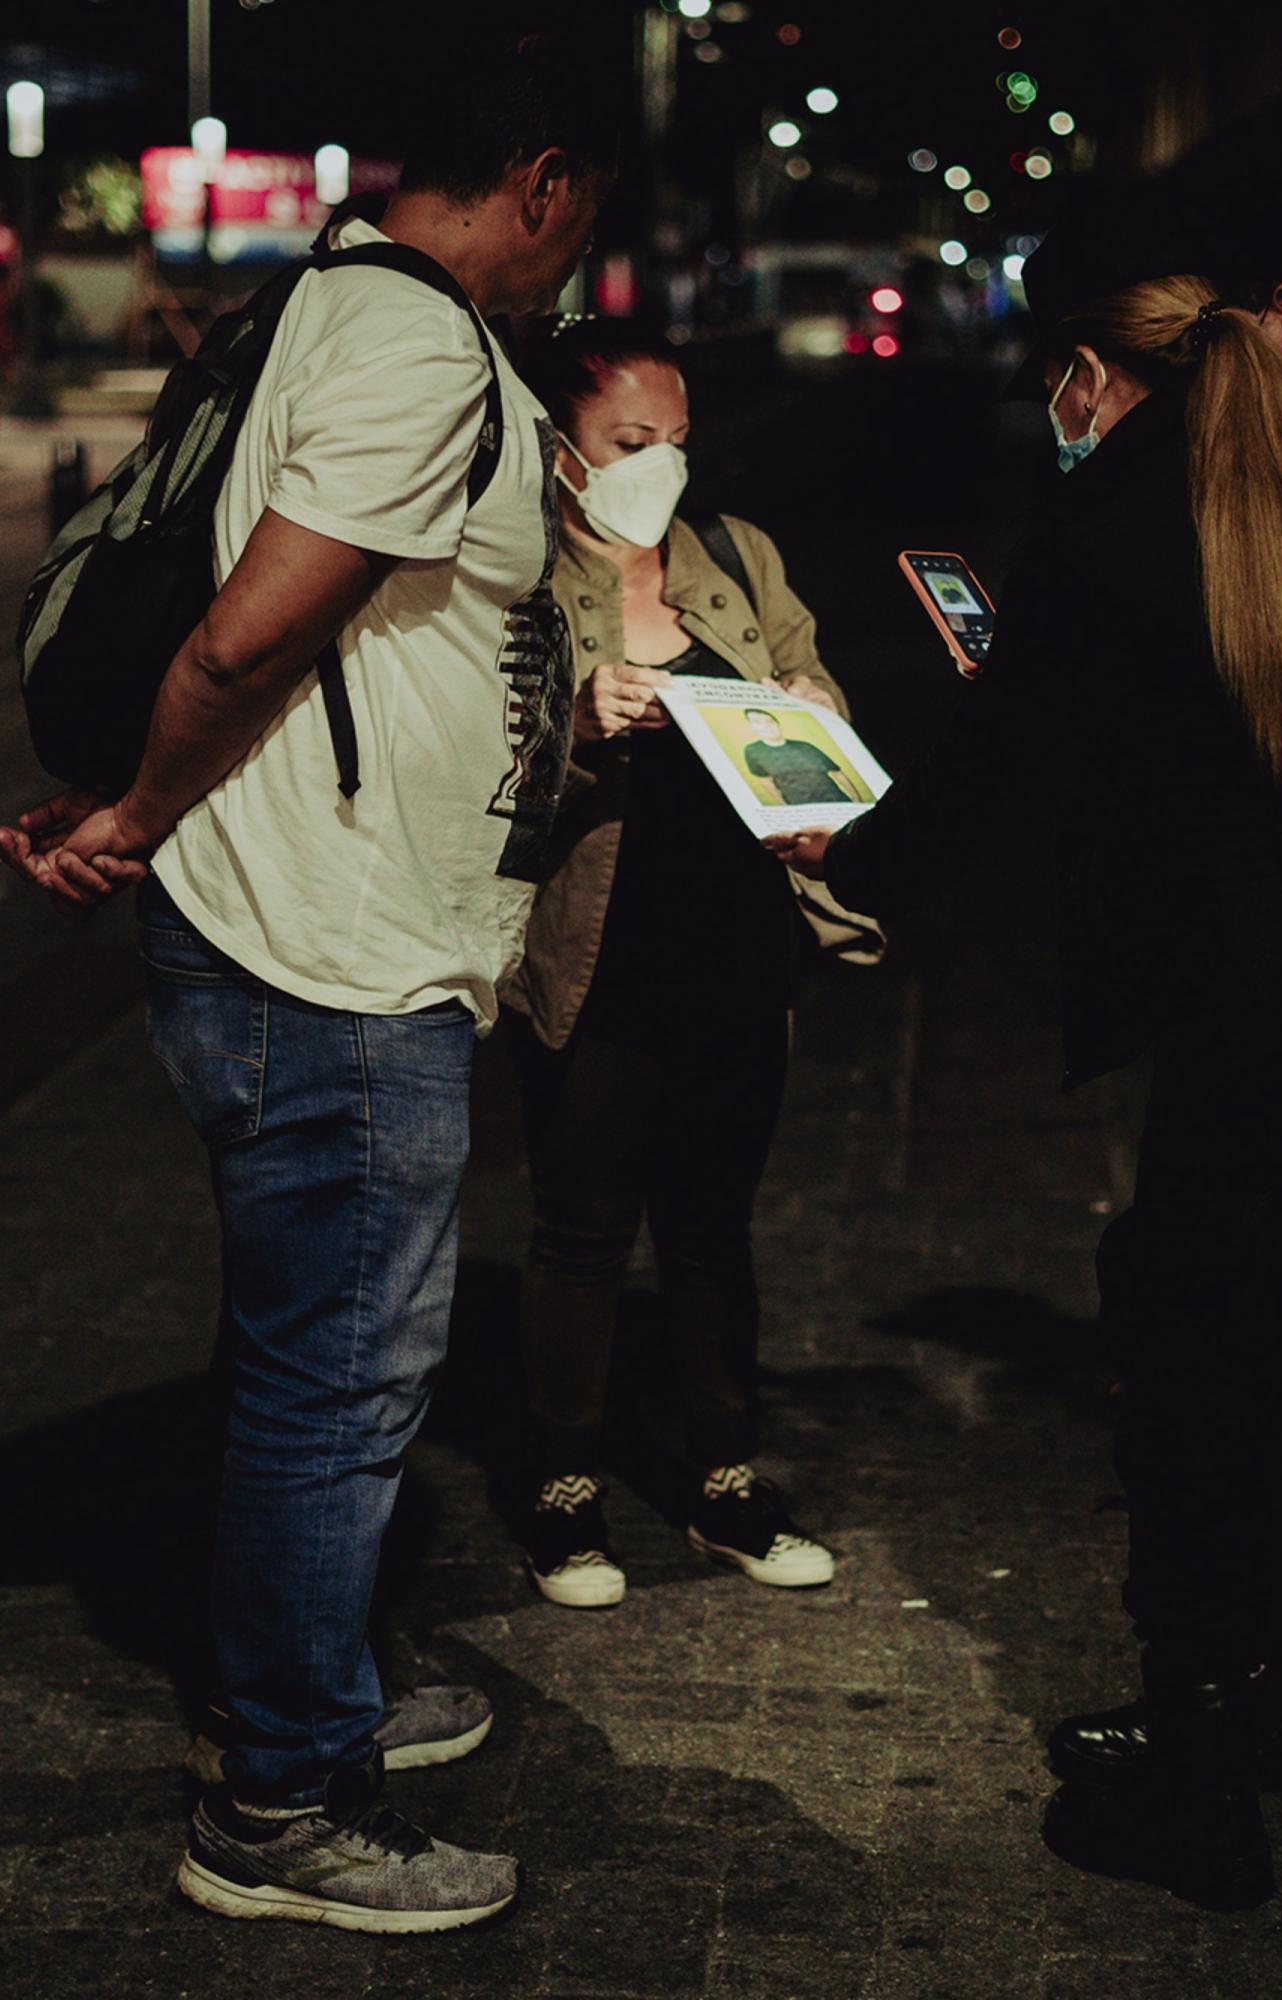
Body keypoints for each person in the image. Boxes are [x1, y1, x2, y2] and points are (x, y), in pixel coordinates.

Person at [771, 179, 1282, 1909]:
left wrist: (849, 844)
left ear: (1104, 366)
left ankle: (1202, 1767)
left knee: (1213, 1390)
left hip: (1240, 1047)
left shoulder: (1127, 510)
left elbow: (1022, 767)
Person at [0, 34, 614, 1937]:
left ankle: (307, 1687)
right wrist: (144, 810)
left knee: (317, 1361)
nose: (582, 254)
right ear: (544, 178)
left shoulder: (320, 310)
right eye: (585, 214)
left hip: (338, 936)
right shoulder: (417, 344)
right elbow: (254, 625)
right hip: (324, 953)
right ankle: (278, 1797)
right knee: (339, 1382)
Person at [498, 316, 848, 1609]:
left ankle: (723, 1481)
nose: (659, 469)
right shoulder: (516, 575)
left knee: (713, 1228)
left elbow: (813, 685)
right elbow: (474, 755)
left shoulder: (738, 563)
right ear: (565, 449)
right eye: (629, 443)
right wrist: (574, 724)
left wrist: (818, 725)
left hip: (737, 948)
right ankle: (563, 1490)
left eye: (677, 443)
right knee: (583, 1228)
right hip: (596, 953)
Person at [737, 708, 862, 806]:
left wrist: (857, 799)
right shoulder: (753, 751)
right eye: (757, 722)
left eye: (770, 721)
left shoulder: (805, 746)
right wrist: (784, 806)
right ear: (752, 727)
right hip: (801, 808)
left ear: (778, 724)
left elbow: (837, 772)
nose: (766, 726)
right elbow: (765, 781)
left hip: (837, 801)